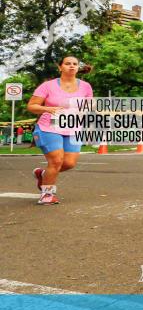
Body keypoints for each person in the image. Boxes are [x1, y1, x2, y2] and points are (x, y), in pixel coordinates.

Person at [26, 56, 94, 205]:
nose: (71, 66)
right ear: (60, 67)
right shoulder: (48, 86)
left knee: (69, 163)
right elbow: (31, 106)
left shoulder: (86, 86)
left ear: (78, 68)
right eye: (68, 63)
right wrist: (47, 108)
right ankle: (47, 195)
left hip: (73, 128)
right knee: (56, 160)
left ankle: (43, 175)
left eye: (75, 64)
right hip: (48, 127)